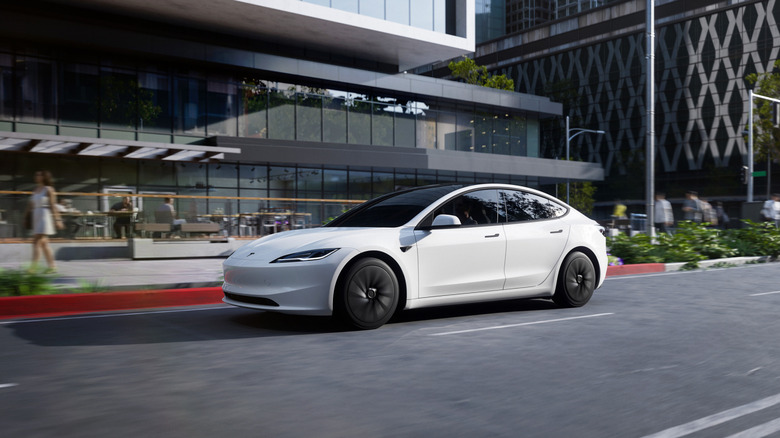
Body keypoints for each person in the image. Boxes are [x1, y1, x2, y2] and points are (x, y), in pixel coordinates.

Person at [25, 170, 63, 272]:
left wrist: (57, 219)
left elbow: (53, 205)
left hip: (44, 216)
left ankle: (33, 268)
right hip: (36, 215)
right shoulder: (35, 189)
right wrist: (27, 215)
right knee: (44, 243)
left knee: (36, 242)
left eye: (38, 175)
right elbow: (31, 204)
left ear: (44, 177)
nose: (36, 176)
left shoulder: (48, 189)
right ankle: (52, 267)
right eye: (36, 174)